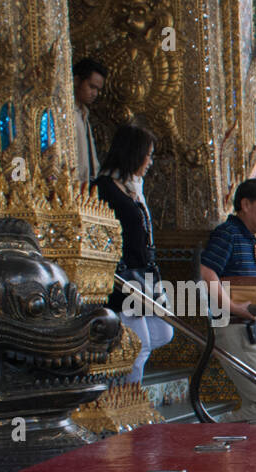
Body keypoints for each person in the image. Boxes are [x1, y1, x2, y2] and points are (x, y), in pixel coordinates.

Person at [199, 179, 256, 421]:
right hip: (235, 328)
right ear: (245, 204)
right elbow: (206, 272)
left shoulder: (243, 237)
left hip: (248, 328)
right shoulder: (228, 233)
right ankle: (211, 429)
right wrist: (234, 307)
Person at [94, 124, 173, 385]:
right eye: (147, 154)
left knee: (164, 331)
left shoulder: (132, 188)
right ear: (133, 153)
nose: (150, 162)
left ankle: (120, 388)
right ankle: (128, 402)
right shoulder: (104, 188)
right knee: (137, 346)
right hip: (123, 279)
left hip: (145, 275)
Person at [73, 58, 106, 185]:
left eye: (98, 90)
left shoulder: (84, 114)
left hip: (87, 187)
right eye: (91, 87)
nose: (95, 94)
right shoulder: (66, 114)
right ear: (76, 81)